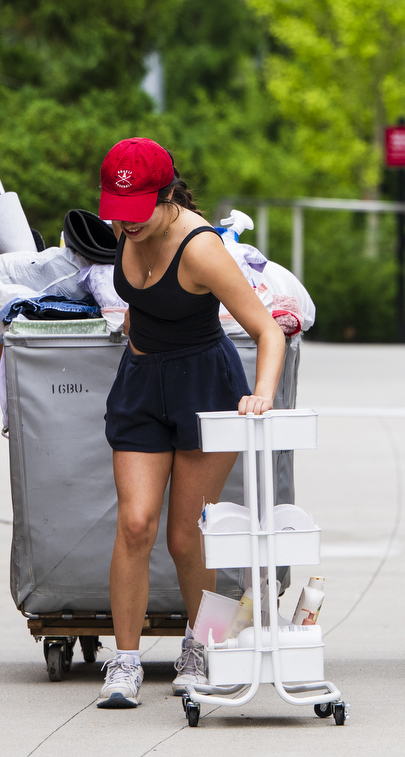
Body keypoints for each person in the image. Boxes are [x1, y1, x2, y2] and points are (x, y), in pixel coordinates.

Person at [94, 137, 287, 709]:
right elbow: (142, 300)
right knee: (134, 524)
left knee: (187, 537)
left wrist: (261, 395)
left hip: (205, 387)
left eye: (135, 213)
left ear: (166, 194)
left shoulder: (200, 248)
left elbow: (268, 329)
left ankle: (203, 646)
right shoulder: (123, 230)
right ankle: (124, 663)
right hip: (140, 385)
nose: (124, 225)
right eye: (116, 213)